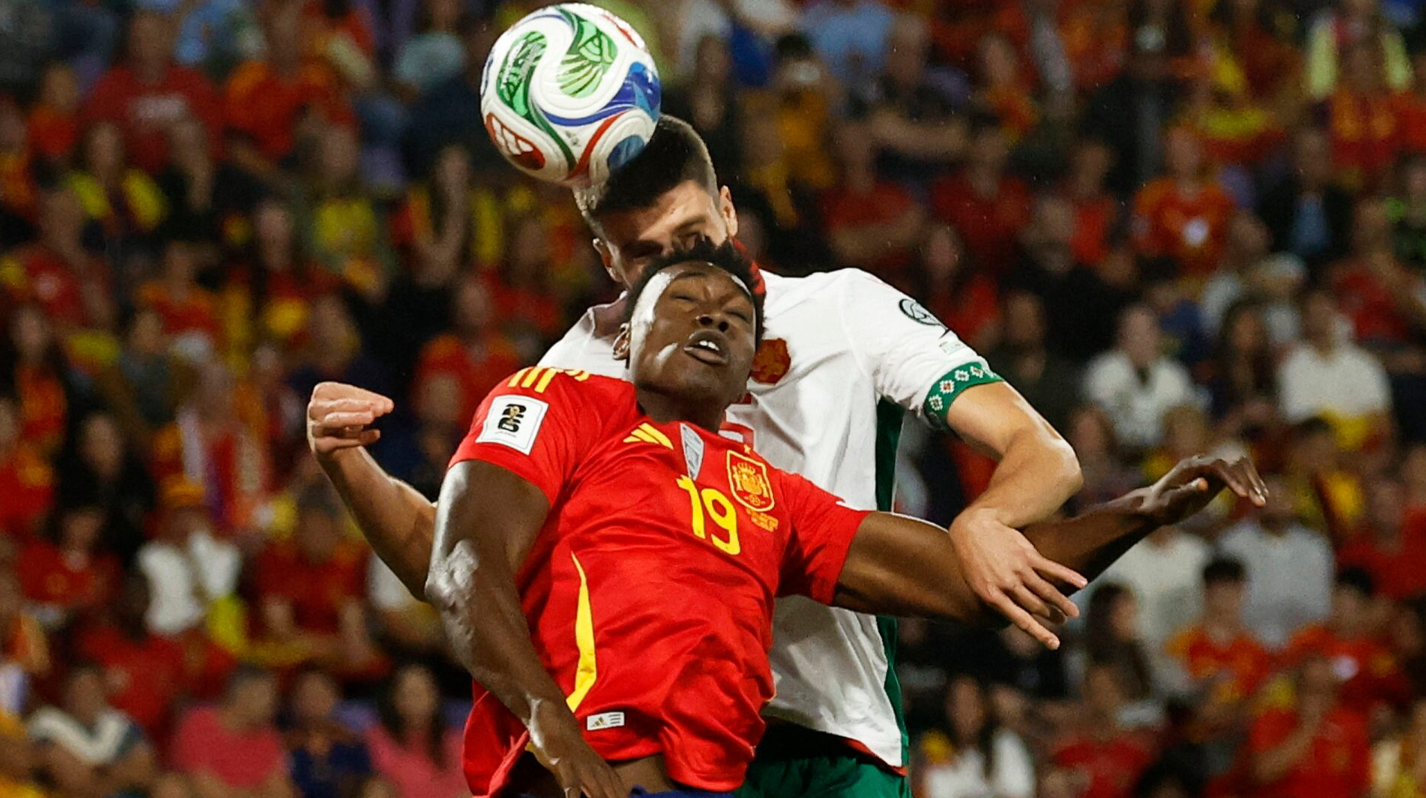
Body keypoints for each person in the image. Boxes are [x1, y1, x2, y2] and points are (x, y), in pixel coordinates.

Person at [308, 115, 1090, 798]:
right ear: (608, 259)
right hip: (656, 742)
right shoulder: (575, 369)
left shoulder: (844, 311)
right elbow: (463, 564)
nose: (681, 267)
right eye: (644, 255)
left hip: (834, 727)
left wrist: (988, 517)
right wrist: (352, 468)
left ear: (728, 209)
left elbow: (1042, 452)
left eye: (692, 238)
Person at [425, 240, 1265, 798]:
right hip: (571, 772)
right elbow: (459, 566)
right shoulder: (564, 408)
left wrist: (1143, 508)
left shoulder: (770, 497)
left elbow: (963, 581)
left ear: (752, 373)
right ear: (622, 338)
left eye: (736, 316)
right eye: (684, 299)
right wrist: (553, 728)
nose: (713, 315)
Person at [27, 663, 156, 798]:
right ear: (66, 692)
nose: (85, 696)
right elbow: (71, 777)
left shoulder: (122, 726)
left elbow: (145, 773)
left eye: (91, 689)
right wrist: (117, 773)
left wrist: (102, 775)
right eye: (79, 689)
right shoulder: (47, 727)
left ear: (103, 692)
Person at [364, 663, 466, 798]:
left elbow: (467, 790)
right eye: (410, 693)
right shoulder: (377, 738)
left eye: (423, 692)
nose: (417, 699)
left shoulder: (455, 742)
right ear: (396, 699)